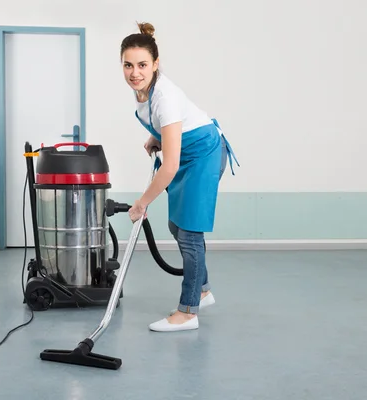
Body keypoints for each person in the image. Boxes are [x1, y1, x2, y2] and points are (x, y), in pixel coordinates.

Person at [121, 22, 239, 332]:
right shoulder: (145, 92)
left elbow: (169, 167)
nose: (135, 72)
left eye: (142, 65)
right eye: (128, 65)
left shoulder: (165, 97)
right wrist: (157, 137)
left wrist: (141, 203)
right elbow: (173, 128)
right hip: (186, 152)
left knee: (189, 232)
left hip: (203, 154)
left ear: (156, 64)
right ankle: (202, 289)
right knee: (178, 225)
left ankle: (188, 311)